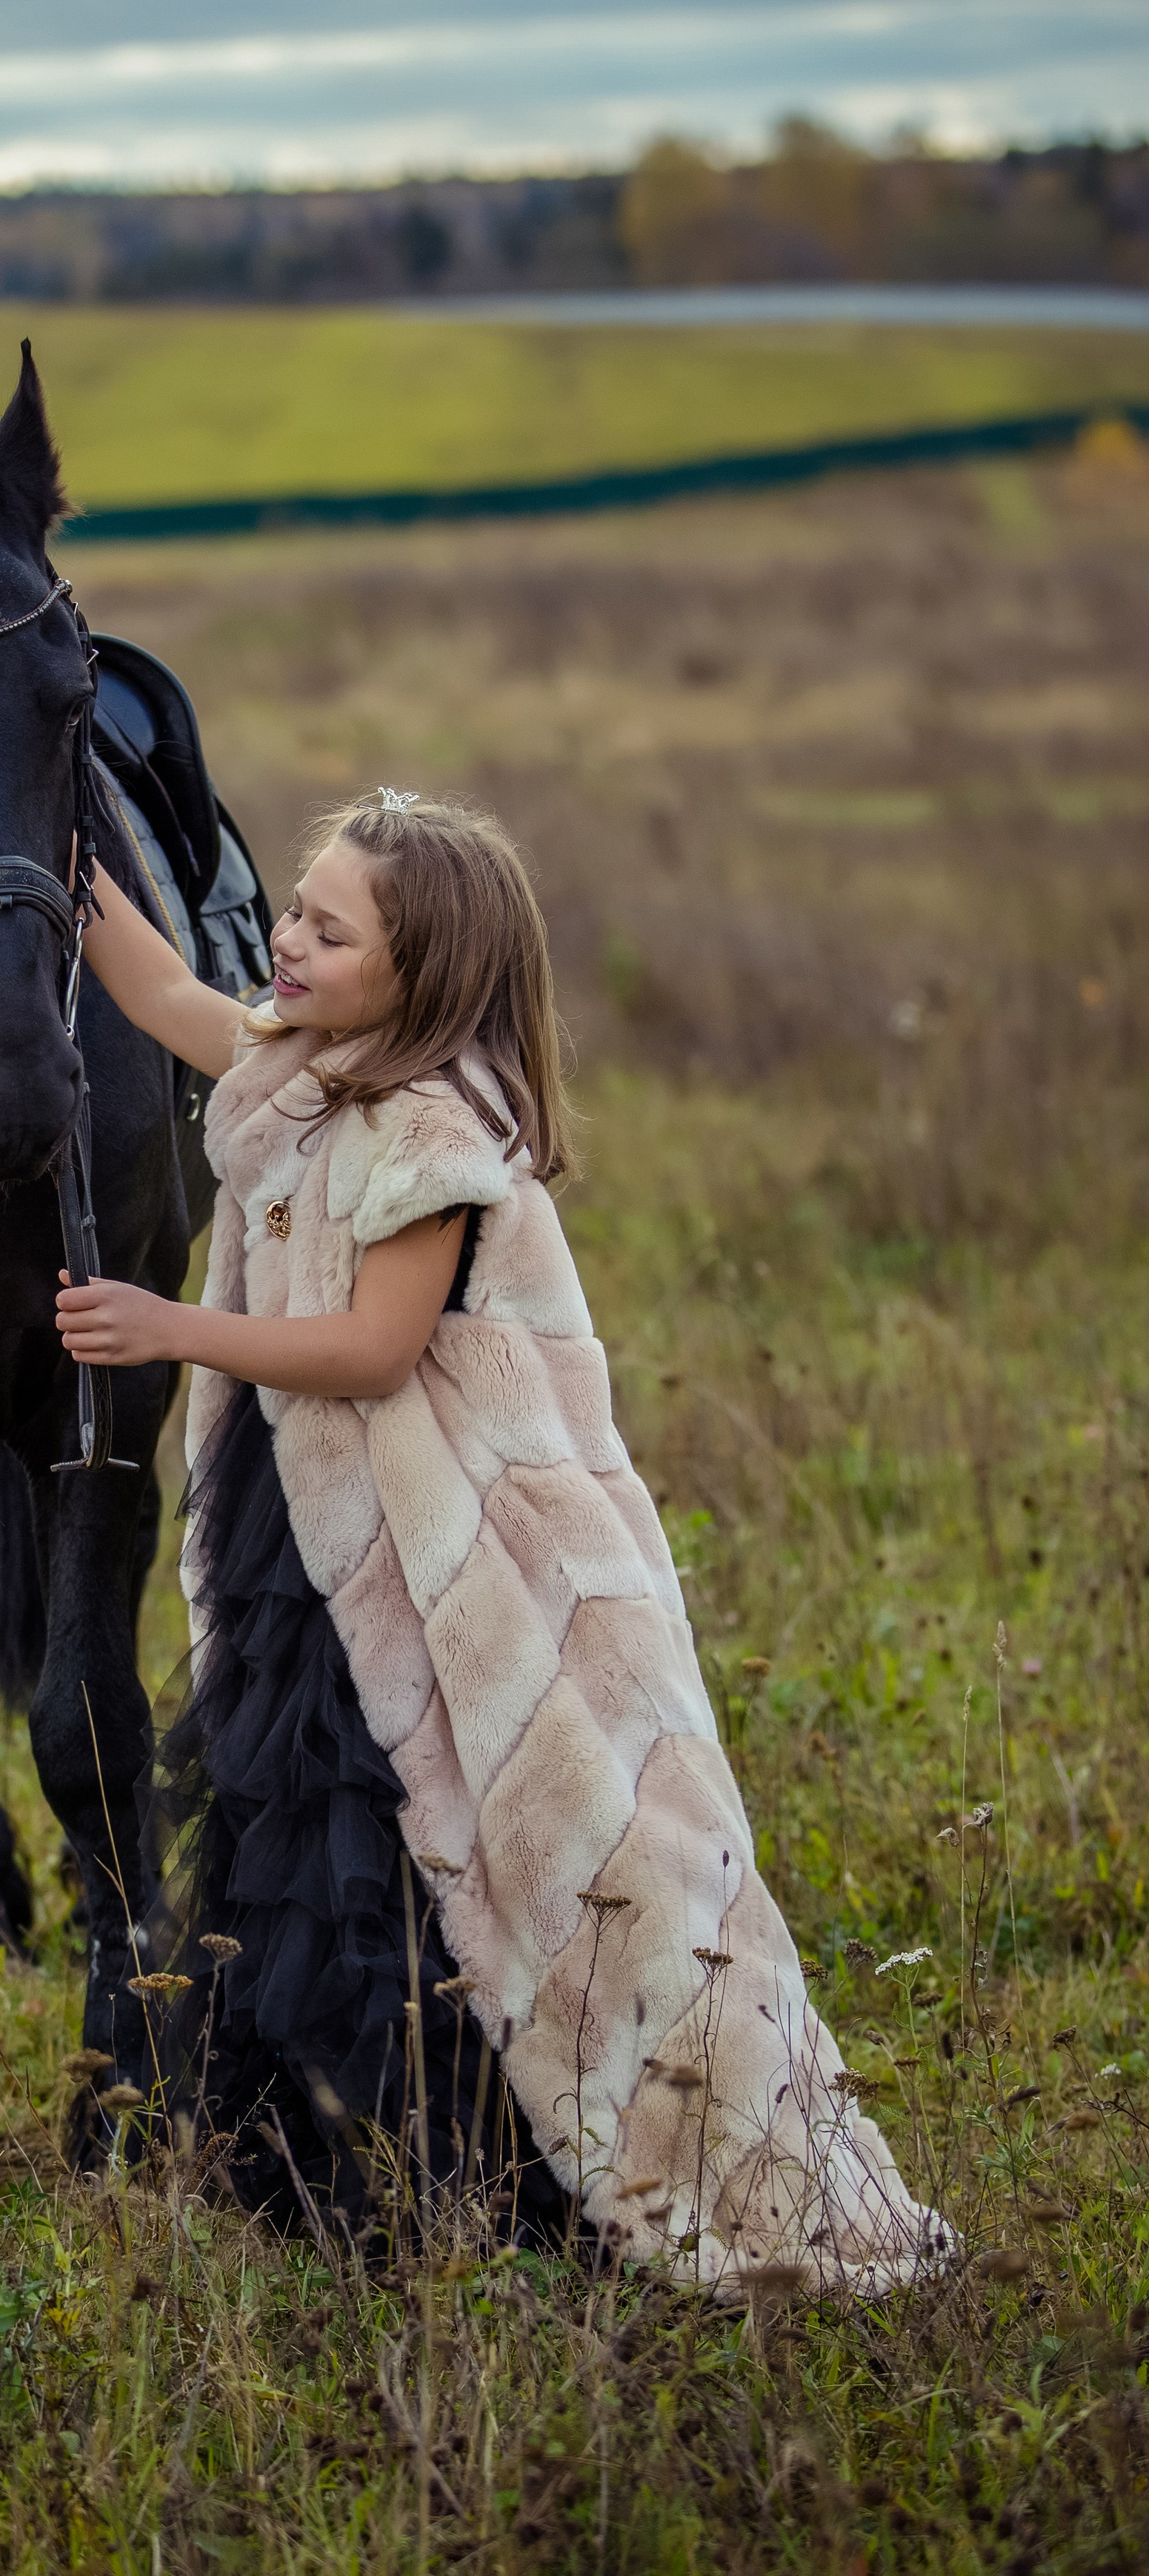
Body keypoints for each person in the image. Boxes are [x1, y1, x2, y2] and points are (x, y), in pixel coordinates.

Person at [59, 790, 945, 2292]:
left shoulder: (427, 1129)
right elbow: (159, 993)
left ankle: (486, 2173)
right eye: (292, 908)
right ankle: (334, 2164)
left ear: (424, 978)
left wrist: (167, 1328)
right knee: (292, 1811)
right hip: (314, 1520)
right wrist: (55, 834)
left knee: (425, 1831)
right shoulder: (303, 1070)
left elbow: (370, 1347)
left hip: (435, 1550)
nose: (284, 942)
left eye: (329, 933)